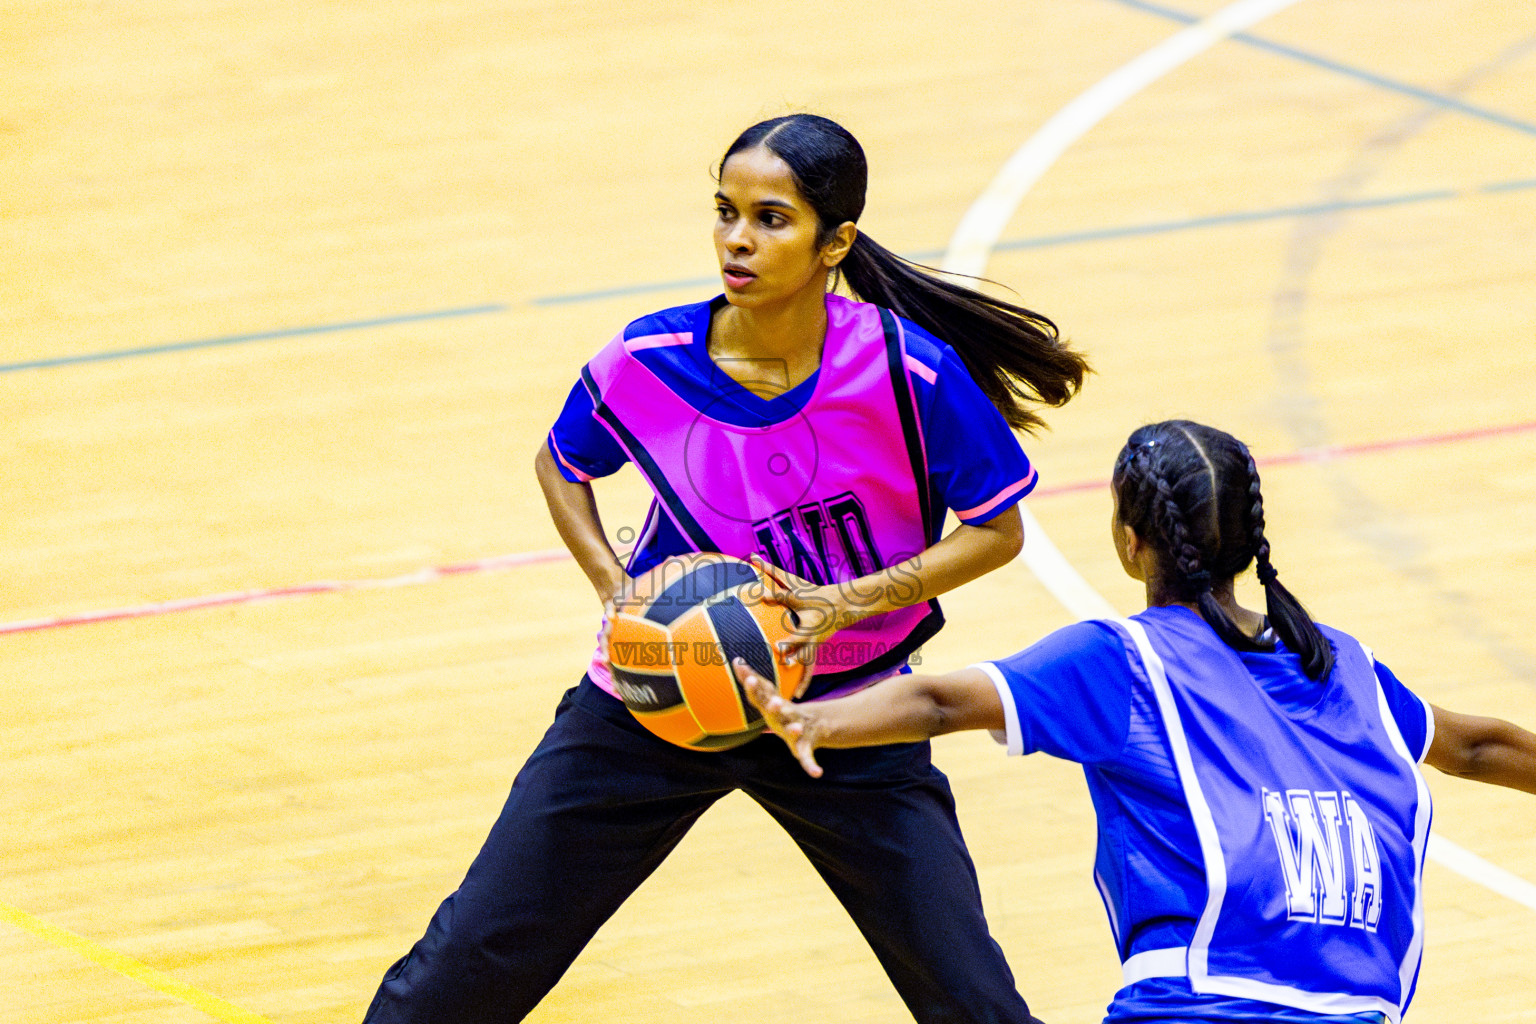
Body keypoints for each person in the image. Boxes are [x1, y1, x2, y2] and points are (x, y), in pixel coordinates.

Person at [361, 112, 1089, 1023]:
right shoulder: (648, 361)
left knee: (970, 997)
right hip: (655, 700)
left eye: (771, 219)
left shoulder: (914, 377)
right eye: (725, 211)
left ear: (837, 244)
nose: (737, 240)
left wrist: (844, 603)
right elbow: (562, 463)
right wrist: (615, 588)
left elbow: (997, 530)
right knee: (469, 966)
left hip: (844, 712)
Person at [734, 418, 1536, 1024]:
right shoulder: (1341, 663)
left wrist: (815, 724)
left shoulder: (1127, 662)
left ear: (1128, 542)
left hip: (1198, 1003)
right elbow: (1478, 745)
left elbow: (940, 699)